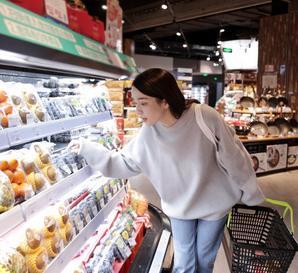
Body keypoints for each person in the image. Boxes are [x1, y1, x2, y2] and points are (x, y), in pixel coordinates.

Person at [68, 68, 265, 273]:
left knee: (204, 261)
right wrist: (87, 149)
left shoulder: (204, 117)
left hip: (215, 202)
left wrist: (250, 192)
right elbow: (124, 162)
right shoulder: (149, 132)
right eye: (135, 103)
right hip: (180, 205)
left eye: (143, 103)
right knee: (184, 264)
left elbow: (234, 157)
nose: (137, 110)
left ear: (164, 101)